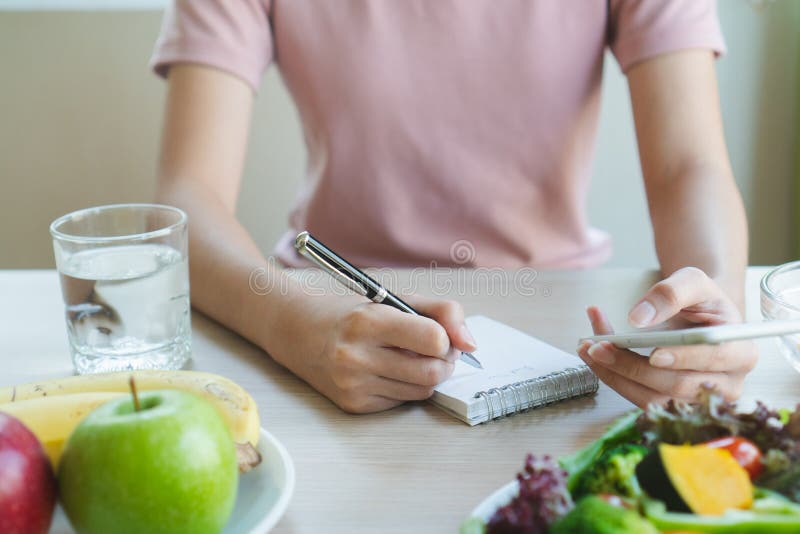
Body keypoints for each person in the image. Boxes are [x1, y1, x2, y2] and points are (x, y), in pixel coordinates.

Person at [150, 0, 757, 413]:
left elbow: (690, 168)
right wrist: (292, 326)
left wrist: (716, 312)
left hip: (558, 316)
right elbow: (187, 200)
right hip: (327, 314)